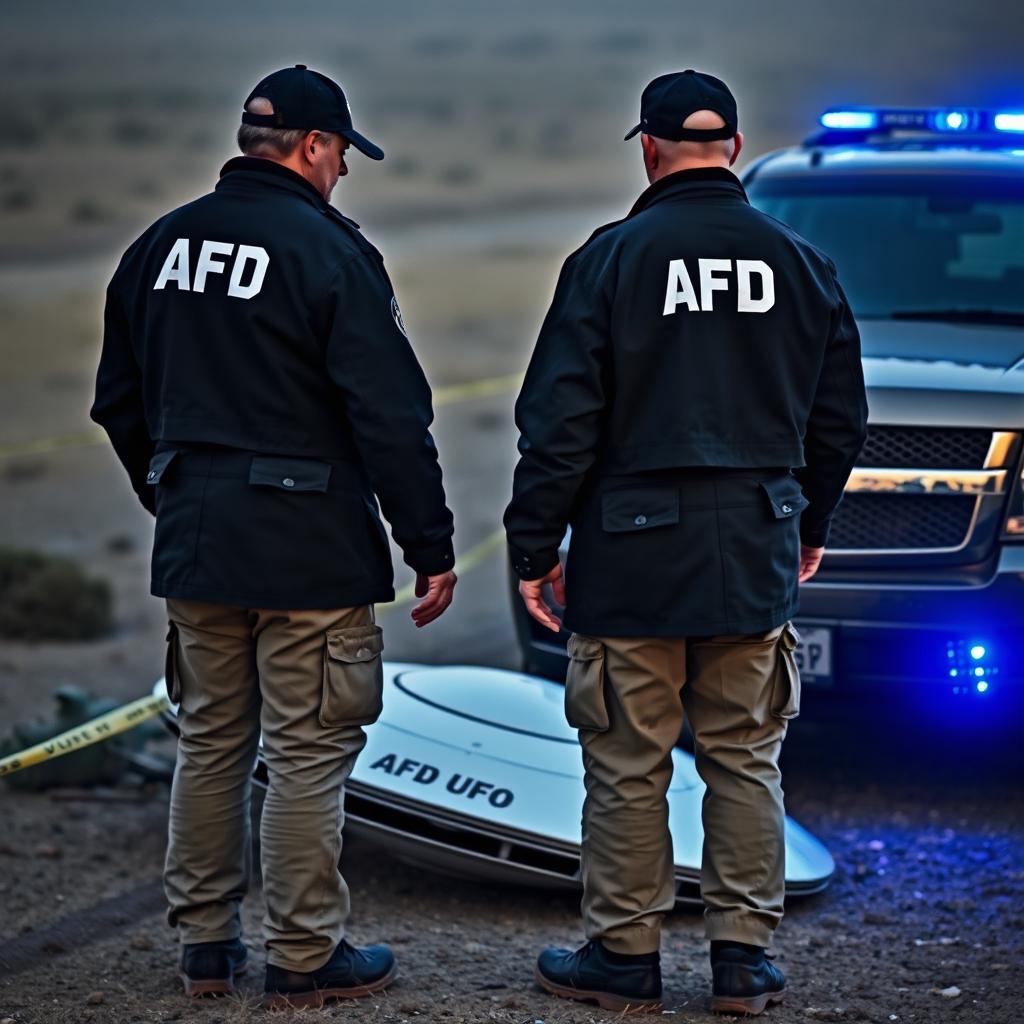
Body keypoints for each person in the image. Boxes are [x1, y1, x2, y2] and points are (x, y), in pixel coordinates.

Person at [91, 65, 457, 1009]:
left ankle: (206, 951)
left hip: (198, 541)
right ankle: (303, 956)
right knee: (306, 751)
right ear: (311, 147)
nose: (342, 173)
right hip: (309, 550)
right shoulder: (329, 253)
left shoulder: (158, 245)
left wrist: (172, 494)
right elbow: (391, 417)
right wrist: (430, 543)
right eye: (340, 154)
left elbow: (117, 402)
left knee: (211, 742)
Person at [504, 70, 867, 1016]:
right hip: (754, 544)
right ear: (735, 148)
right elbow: (840, 422)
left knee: (629, 760)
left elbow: (557, 422)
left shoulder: (610, 259)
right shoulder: (801, 264)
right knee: (746, 755)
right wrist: (809, 525)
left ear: (650, 148)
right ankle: (742, 961)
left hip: (631, 557)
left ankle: (625, 959)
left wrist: (536, 544)